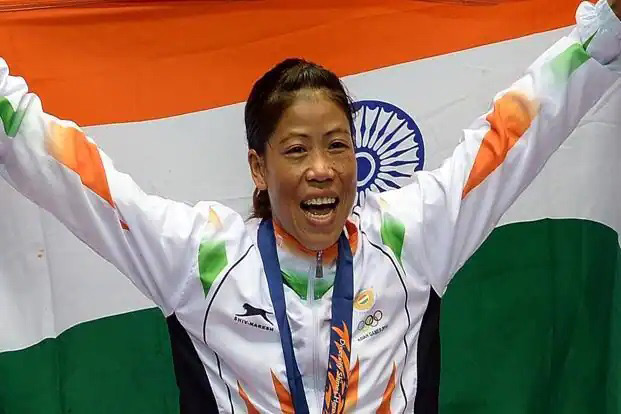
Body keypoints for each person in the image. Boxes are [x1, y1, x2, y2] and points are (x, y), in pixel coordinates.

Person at [1, 1, 619, 413]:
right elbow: (76, 176)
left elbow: (509, 138)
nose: (321, 169)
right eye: (296, 150)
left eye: (337, 145)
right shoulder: (201, 260)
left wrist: (605, 32)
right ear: (259, 168)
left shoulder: (410, 237)